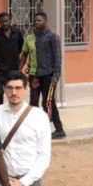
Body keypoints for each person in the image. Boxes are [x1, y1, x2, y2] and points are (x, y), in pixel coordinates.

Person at [29, 12, 66, 140]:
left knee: (49, 102)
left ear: (45, 21)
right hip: (38, 76)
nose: (36, 22)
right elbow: (36, 59)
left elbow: (58, 58)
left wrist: (56, 76)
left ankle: (59, 129)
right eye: (35, 20)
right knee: (34, 103)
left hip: (50, 77)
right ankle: (38, 130)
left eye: (39, 20)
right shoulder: (37, 38)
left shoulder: (53, 37)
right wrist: (34, 76)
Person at [0, 13, 24, 106]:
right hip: (0, 68)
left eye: (6, 21)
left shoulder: (17, 33)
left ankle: (14, 109)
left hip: (14, 67)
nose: (4, 23)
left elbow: (21, 47)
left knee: (15, 91)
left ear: (10, 21)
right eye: (2, 22)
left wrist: (19, 66)